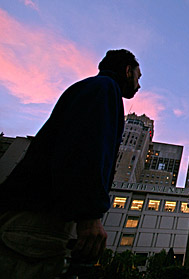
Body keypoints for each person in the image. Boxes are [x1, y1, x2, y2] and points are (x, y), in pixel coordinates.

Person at [0, 49, 141, 278]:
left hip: (36, 215)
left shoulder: (94, 88)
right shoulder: (104, 89)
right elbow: (86, 148)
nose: (139, 85)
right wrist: (90, 215)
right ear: (127, 71)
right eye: (138, 76)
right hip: (35, 220)